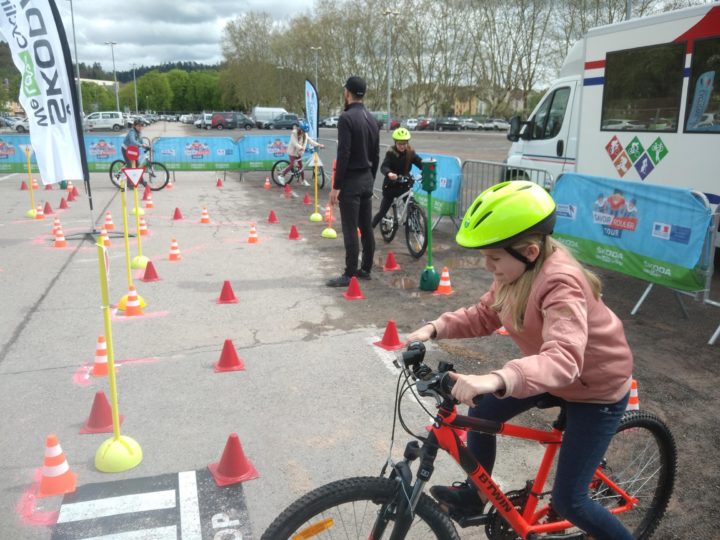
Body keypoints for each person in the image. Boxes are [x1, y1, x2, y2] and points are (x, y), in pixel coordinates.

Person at [406, 181, 635, 540]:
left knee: (572, 501)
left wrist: (496, 378)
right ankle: (476, 493)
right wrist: (436, 328)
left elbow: (562, 359)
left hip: (595, 390)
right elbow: (484, 314)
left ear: (529, 251)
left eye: (494, 257)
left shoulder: (561, 284)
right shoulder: (516, 274)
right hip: (555, 376)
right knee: (480, 414)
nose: (487, 265)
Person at [326, 76, 380, 288]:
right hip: (366, 177)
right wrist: (371, 177)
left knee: (350, 227)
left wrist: (336, 186)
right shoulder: (372, 118)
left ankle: (349, 273)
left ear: (348, 92)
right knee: (365, 226)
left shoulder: (346, 118)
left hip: (351, 180)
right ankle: (365, 268)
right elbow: (376, 153)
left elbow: (344, 153)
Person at [371, 127, 423, 229]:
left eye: (405, 143)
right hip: (391, 186)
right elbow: (384, 166)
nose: (402, 146)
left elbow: (420, 163)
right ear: (395, 142)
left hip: (404, 185)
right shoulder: (391, 153)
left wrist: (427, 169)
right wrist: (389, 173)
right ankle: (369, 228)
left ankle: (415, 227)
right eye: (400, 144)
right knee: (383, 211)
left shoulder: (410, 152)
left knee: (413, 206)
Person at [277, 120, 324, 187]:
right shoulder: (294, 133)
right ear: (299, 128)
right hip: (292, 152)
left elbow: (311, 141)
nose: (303, 132)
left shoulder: (305, 134)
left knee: (301, 166)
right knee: (292, 164)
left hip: (298, 153)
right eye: (302, 130)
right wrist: (301, 147)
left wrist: (319, 145)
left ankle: (303, 180)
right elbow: (294, 143)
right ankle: (282, 175)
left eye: (304, 131)